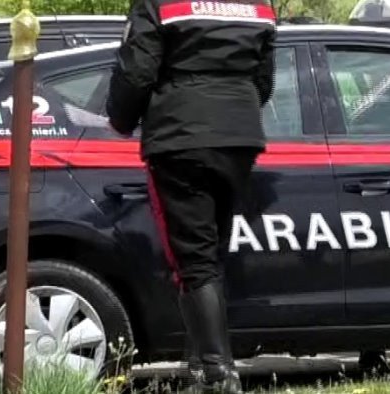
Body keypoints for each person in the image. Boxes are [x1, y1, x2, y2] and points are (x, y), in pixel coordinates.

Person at [105, 1, 277, 392]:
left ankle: (218, 375)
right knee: (210, 254)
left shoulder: (158, 3)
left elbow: (138, 71)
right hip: (239, 133)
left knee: (194, 259)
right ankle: (201, 368)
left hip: (180, 137)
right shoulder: (258, 6)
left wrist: (119, 120)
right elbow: (264, 79)